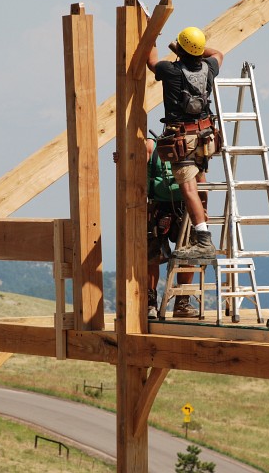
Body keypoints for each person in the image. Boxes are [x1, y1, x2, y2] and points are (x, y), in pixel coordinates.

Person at [147, 26, 224, 261]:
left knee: (188, 189)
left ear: (180, 48)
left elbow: (151, 62)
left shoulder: (170, 70)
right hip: (205, 137)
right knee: (199, 181)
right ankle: (202, 219)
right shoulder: (209, 67)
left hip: (182, 140)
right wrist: (196, 51)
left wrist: (152, 35)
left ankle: (203, 238)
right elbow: (218, 53)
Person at [114, 139, 198, 319]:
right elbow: (133, 165)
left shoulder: (190, 145)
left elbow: (200, 176)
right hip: (157, 206)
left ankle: (182, 302)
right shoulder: (151, 146)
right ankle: (150, 303)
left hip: (184, 205)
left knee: (188, 253)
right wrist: (123, 161)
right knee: (152, 255)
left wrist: (202, 208)